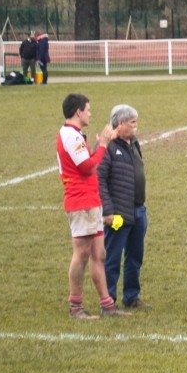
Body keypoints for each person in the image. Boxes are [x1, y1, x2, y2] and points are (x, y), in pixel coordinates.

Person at [56, 93, 122, 319]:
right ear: (78, 112)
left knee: (98, 254)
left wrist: (104, 144)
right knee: (81, 255)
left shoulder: (75, 135)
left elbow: (88, 163)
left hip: (91, 200)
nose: (90, 113)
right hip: (80, 201)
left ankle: (107, 305)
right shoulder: (70, 136)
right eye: (88, 109)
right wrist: (103, 145)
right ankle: (75, 306)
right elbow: (87, 167)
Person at [98, 104, 149, 310]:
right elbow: (99, 180)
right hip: (118, 214)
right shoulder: (107, 147)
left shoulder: (134, 143)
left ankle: (131, 296)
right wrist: (108, 212)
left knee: (135, 256)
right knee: (112, 257)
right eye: (132, 122)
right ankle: (108, 300)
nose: (136, 126)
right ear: (120, 124)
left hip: (138, 210)